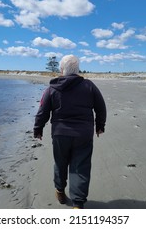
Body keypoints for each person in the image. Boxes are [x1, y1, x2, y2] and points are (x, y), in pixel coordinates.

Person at [33, 55, 107, 209]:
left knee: (60, 163)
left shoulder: (52, 89)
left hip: (61, 134)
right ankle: (78, 204)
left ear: (61, 70)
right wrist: (100, 125)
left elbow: (42, 111)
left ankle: (60, 190)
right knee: (80, 167)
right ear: (77, 70)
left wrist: (38, 129)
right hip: (83, 134)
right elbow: (101, 107)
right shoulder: (89, 86)